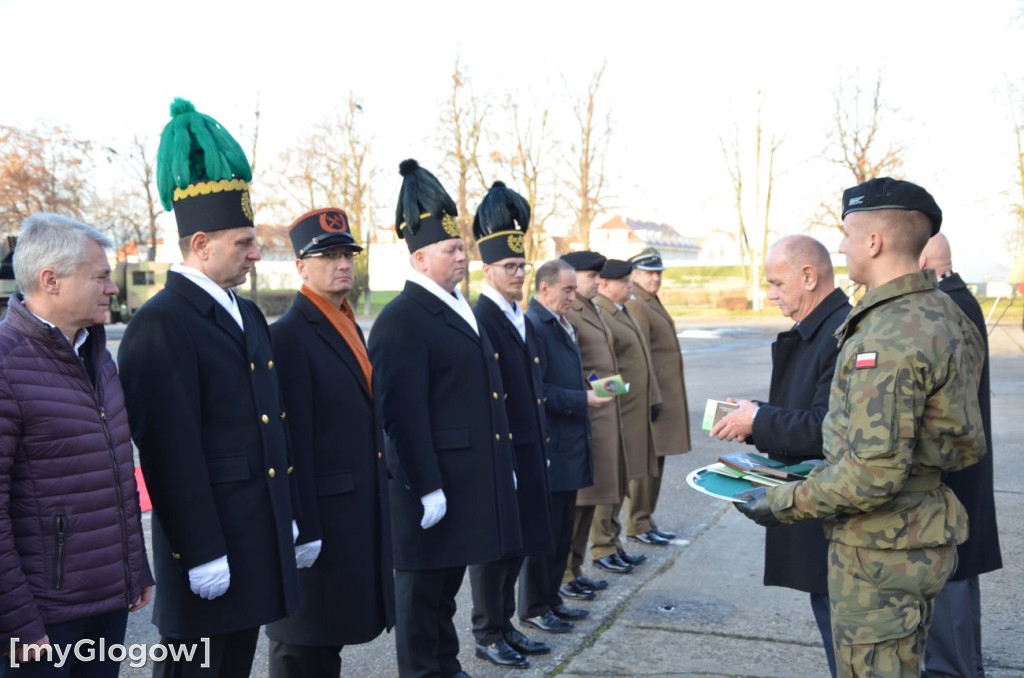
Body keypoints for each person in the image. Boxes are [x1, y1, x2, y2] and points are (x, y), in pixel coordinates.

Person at [735, 178, 987, 678]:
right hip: (917, 534)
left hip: (879, 550)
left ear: (874, 242)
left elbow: (873, 471)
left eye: (847, 236)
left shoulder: (889, 330)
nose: (843, 248)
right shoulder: (944, 312)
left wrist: (780, 503)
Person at [118, 99, 300, 678]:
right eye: (244, 241)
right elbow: (169, 451)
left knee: (234, 667)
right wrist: (198, 551)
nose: (256, 252)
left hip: (252, 534)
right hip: (209, 545)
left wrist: (287, 514)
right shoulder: (161, 323)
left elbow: (269, 423)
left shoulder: (246, 316)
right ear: (200, 245)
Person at [367, 160, 521, 678]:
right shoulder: (400, 320)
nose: (463, 256)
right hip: (427, 492)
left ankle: (446, 668)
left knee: (444, 596)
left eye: (462, 248)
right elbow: (401, 416)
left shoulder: (459, 306)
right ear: (419, 257)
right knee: (420, 601)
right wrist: (425, 487)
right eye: (452, 250)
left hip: (465, 483)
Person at [0, 214, 154, 676]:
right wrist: (17, 621)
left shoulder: (98, 356)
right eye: (101, 276)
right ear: (52, 281)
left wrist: (134, 568)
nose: (112, 288)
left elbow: (114, 471)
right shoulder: (6, 364)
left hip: (104, 603)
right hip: (41, 618)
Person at [710, 234, 851, 678]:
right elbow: (805, 411)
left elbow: (827, 428)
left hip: (836, 517)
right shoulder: (820, 328)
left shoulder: (839, 332)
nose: (770, 293)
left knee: (846, 645)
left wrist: (761, 421)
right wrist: (756, 418)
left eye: (776, 282)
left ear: (808, 277)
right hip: (823, 511)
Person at [264, 208, 395, 677]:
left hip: (350, 512)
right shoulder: (288, 336)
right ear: (301, 266)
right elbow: (289, 439)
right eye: (327, 256)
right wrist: (301, 524)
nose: (342, 264)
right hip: (317, 514)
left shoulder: (346, 323)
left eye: (347, 255)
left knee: (328, 639)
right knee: (301, 642)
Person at [467, 181, 555, 669]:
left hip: (529, 445)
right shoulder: (483, 317)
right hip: (504, 450)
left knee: (519, 543)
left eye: (521, 265)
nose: (518, 274)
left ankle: (506, 625)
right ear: (487, 268)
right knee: (496, 548)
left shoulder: (518, 314)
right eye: (508, 267)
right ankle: (487, 631)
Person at [919, 233, 1002, 678]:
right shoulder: (957, 298)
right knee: (957, 590)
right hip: (963, 475)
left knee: (950, 588)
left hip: (954, 479)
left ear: (924, 258)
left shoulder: (947, 306)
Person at [521, 259, 606, 635]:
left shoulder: (560, 321)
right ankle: (535, 606)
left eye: (574, 289)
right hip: (553, 445)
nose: (573, 296)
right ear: (545, 289)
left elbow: (564, 375)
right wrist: (582, 399)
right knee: (546, 535)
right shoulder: (535, 325)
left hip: (570, 443)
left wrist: (590, 386)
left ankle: (552, 599)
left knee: (561, 533)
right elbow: (538, 391)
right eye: (567, 290)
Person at [560, 251, 628, 593]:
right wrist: (609, 387)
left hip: (602, 412)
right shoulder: (570, 310)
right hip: (585, 414)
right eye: (591, 277)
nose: (597, 282)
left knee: (593, 499)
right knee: (580, 502)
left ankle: (577, 566)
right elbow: (578, 367)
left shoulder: (590, 308)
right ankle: (565, 575)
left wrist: (617, 388)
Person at [592, 259, 659, 570]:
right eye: (624, 281)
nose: (630, 285)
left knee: (623, 481)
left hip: (632, 409)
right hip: (617, 408)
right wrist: (614, 394)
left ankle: (614, 542)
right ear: (605, 284)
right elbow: (596, 370)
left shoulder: (620, 309)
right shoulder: (601, 311)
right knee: (609, 483)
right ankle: (602, 546)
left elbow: (640, 358)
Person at [625, 248, 691, 546]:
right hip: (653, 397)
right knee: (646, 462)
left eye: (659, 272)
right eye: (650, 273)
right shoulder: (637, 304)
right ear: (635, 275)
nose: (656, 278)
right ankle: (637, 521)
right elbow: (639, 356)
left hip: (662, 396)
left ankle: (646, 519)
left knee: (657, 459)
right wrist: (650, 396)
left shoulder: (649, 300)